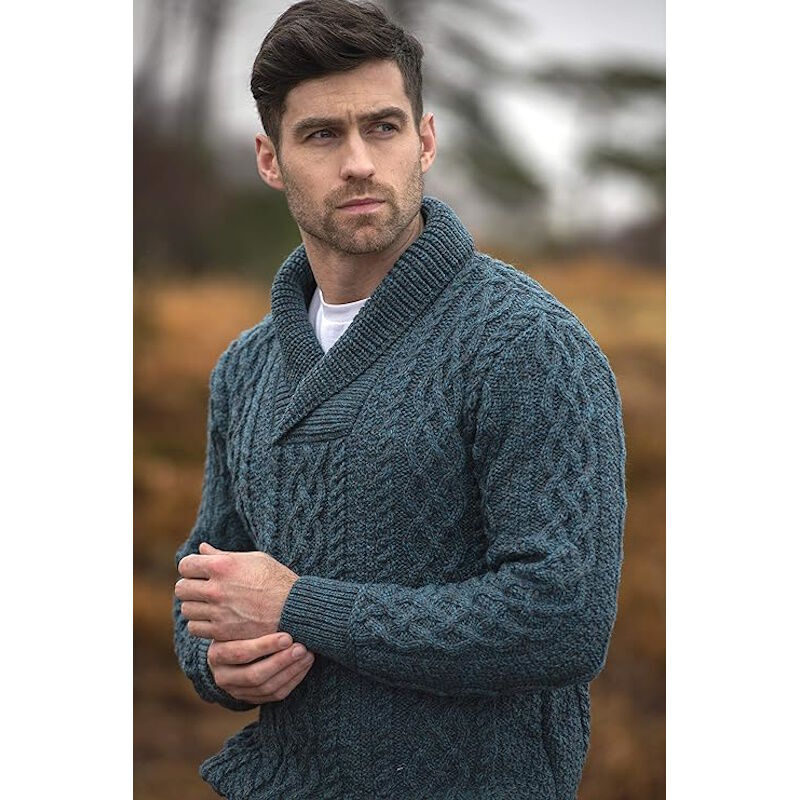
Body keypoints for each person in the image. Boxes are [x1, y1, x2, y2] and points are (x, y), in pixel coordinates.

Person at [172, 0, 627, 797]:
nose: (358, 162)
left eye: (382, 127)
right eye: (322, 135)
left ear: (425, 140)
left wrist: (301, 606)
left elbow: (563, 620)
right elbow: (207, 583)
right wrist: (217, 663)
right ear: (270, 159)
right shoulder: (245, 368)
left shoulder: (526, 345)